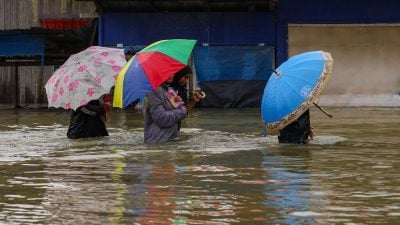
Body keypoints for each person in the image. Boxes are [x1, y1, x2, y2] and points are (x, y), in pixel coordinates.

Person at [143, 77, 188, 144]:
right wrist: (182, 111)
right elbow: (162, 119)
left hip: (169, 140)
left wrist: (180, 104)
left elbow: (179, 111)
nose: (172, 75)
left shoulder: (167, 89)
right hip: (157, 144)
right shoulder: (154, 91)